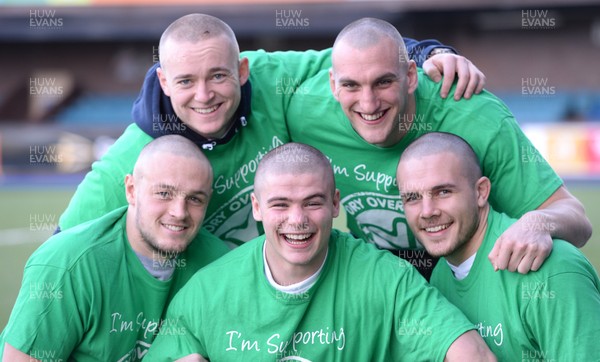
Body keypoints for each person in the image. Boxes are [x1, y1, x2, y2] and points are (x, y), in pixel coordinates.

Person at [57, 13, 487, 248]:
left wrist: (431, 51)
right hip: (197, 299)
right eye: (186, 82)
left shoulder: (270, 78)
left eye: (219, 76)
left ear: (242, 70)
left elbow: (354, 56)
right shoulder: (136, 155)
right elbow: (60, 248)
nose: (204, 95)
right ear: (166, 82)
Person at [285, 17, 591, 279]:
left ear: (410, 77)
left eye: (383, 82)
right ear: (332, 85)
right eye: (351, 85)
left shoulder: (476, 120)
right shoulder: (304, 112)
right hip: (382, 278)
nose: (369, 103)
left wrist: (536, 223)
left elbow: (575, 218)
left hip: (474, 277)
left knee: (557, 259)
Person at [144, 143, 495, 361]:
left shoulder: (385, 279)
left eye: (312, 203)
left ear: (335, 204)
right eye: (280, 204)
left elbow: (472, 355)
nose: (297, 220)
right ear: (256, 207)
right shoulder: (207, 292)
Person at [0, 135, 230, 361]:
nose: (179, 212)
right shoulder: (68, 265)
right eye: (164, 193)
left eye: (195, 199)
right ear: (131, 190)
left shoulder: (220, 266)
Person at [396, 132, 600, 359]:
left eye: (443, 192)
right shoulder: (439, 277)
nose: (427, 212)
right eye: (412, 198)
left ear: (480, 192)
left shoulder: (552, 270)